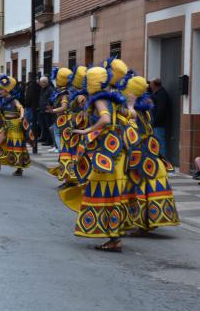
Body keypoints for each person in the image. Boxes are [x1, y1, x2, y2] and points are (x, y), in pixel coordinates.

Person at [60, 66, 134, 252]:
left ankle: (114, 238)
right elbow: (129, 115)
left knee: (103, 190)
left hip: (107, 152)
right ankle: (115, 235)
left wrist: (86, 130)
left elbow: (106, 120)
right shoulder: (113, 97)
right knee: (113, 192)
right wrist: (132, 105)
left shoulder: (100, 99)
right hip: (118, 151)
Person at [118, 73, 179, 235]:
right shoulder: (146, 107)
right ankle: (147, 221)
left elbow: (129, 131)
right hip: (149, 152)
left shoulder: (134, 110)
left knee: (137, 185)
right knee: (145, 185)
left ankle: (142, 222)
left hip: (139, 154)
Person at [0, 75, 30, 176]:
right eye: (0, 89)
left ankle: (19, 169)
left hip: (15, 126)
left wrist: (21, 116)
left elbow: (21, 108)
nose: (0, 91)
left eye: (1, 89)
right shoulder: (2, 100)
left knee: (16, 146)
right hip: (6, 125)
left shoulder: (14, 100)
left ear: (6, 90)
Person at [47, 67, 74, 184]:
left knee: (64, 152)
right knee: (63, 151)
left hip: (64, 125)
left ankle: (67, 178)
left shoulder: (64, 94)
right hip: (62, 123)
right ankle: (66, 178)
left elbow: (64, 107)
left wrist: (52, 111)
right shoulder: (65, 92)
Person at [148, 78, 169, 159]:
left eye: (151, 85)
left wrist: (155, 121)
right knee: (156, 142)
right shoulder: (156, 94)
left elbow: (161, 110)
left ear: (154, 85)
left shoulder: (161, 94)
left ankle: (163, 161)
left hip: (159, 124)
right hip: (156, 124)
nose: (150, 86)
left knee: (160, 142)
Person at [23, 72, 40, 140]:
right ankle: (32, 136)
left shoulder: (31, 85)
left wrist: (26, 104)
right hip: (33, 107)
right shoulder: (36, 85)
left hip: (30, 107)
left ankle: (29, 136)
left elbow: (29, 97)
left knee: (28, 122)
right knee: (32, 122)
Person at [37, 76, 54, 146]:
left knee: (48, 126)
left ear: (47, 82)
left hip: (47, 111)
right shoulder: (42, 89)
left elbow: (51, 100)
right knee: (43, 126)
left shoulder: (50, 89)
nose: (42, 84)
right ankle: (44, 138)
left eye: (44, 82)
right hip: (42, 110)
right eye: (41, 82)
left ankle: (49, 141)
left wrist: (49, 108)